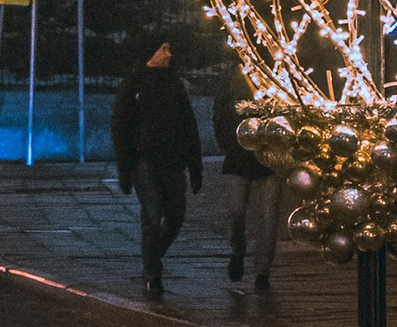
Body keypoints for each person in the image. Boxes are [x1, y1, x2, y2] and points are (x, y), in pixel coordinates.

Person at [112, 35, 202, 298]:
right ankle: (152, 275)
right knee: (152, 216)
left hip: (173, 161)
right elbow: (120, 125)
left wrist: (195, 166)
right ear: (151, 52)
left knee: (175, 217)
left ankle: (152, 258)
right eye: (164, 49)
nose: (169, 54)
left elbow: (189, 124)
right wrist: (125, 169)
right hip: (145, 162)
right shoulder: (134, 82)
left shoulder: (174, 82)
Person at [213, 77, 281, 292]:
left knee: (268, 218)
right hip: (238, 157)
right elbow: (221, 114)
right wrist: (228, 142)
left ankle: (262, 272)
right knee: (236, 212)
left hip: (268, 160)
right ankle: (238, 249)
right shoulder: (231, 82)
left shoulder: (274, 80)